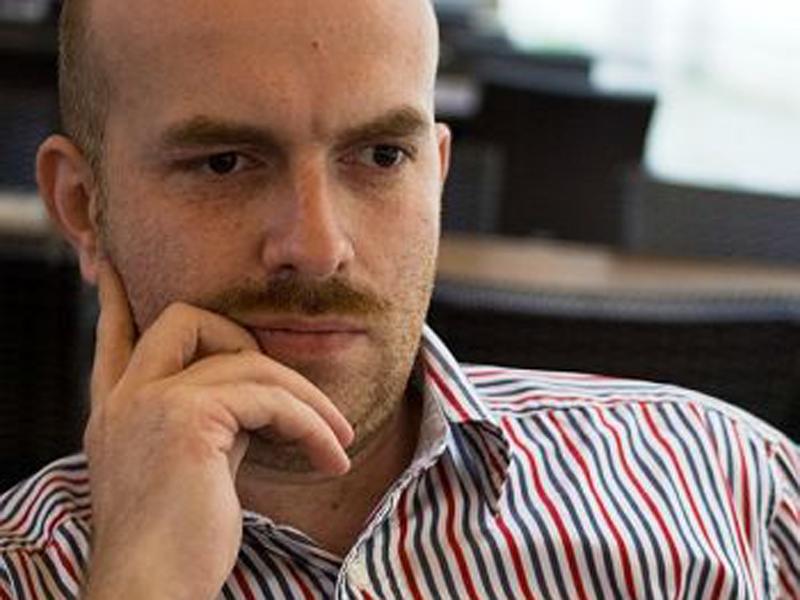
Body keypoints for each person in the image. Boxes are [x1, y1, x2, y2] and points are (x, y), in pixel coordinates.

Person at [0, 0, 797, 597]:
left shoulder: (726, 481)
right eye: (224, 163)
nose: (318, 246)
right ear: (83, 207)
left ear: (436, 177)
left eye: (382, 156)